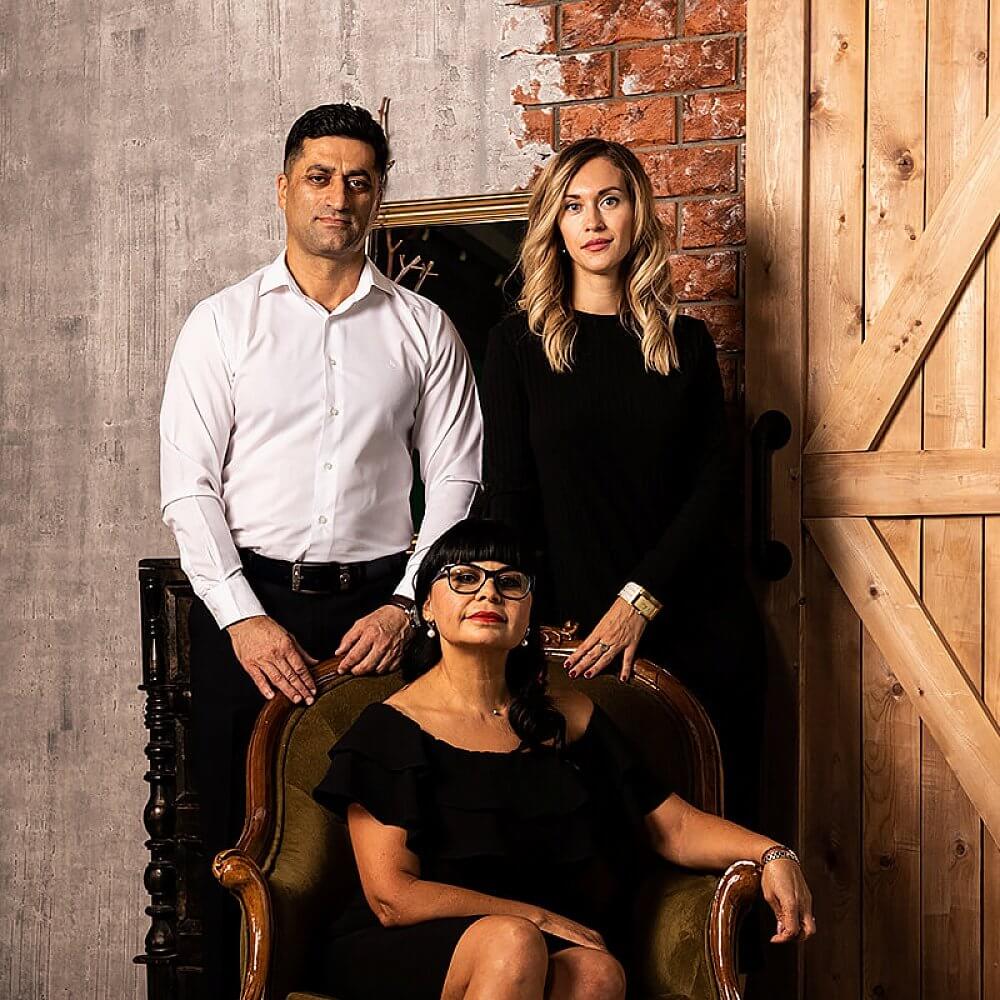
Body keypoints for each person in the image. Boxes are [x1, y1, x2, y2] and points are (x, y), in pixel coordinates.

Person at [159, 103, 482, 995]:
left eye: (359, 181)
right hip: (250, 612)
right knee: (237, 842)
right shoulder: (220, 324)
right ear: (283, 188)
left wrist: (408, 604)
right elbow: (189, 488)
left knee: (390, 839)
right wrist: (242, 618)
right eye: (320, 176)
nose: (339, 196)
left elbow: (456, 483)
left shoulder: (425, 328)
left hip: (382, 616)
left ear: (378, 196)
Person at [313, 519, 813, 1000]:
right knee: (512, 943)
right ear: (427, 606)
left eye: (510, 583)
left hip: (523, 941)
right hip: (402, 947)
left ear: (528, 611)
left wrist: (773, 854)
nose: (489, 594)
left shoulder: (568, 717)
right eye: (464, 578)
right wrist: (535, 918)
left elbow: (673, 827)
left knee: (597, 974)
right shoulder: (389, 729)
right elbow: (393, 898)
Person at [479, 137, 765, 831]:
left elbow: (712, 487)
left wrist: (641, 600)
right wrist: (531, 633)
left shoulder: (685, 343)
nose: (593, 221)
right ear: (554, 224)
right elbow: (509, 499)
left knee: (716, 838)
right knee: (589, 838)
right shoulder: (516, 346)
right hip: (573, 634)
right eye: (573, 206)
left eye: (609, 200)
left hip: (694, 622)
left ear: (636, 212)